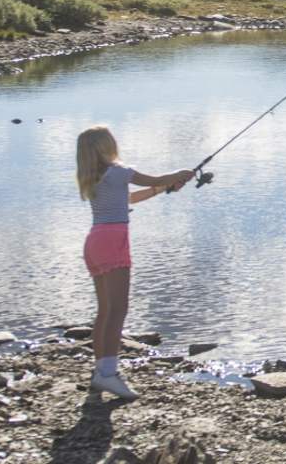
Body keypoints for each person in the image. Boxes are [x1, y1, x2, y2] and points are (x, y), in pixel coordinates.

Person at [74, 125, 195, 401]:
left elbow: (130, 198)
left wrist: (162, 188)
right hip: (114, 240)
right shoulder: (118, 172)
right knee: (118, 310)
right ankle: (109, 374)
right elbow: (151, 177)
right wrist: (179, 175)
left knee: (105, 310)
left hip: (94, 241)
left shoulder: (95, 178)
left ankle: (99, 374)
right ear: (107, 146)